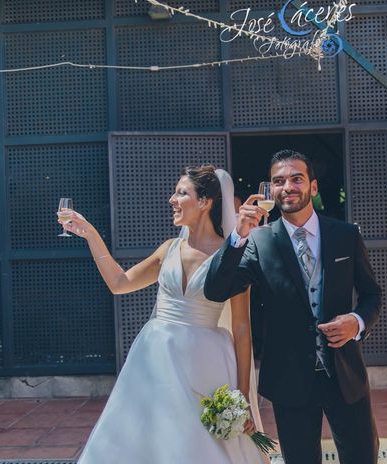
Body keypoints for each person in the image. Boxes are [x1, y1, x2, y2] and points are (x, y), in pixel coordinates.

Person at [60, 166, 266, 464]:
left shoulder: (233, 256)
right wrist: (90, 234)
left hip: (206, 362)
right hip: (155, 358)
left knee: (200, 443)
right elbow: (120, 284)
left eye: (181, 193)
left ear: (206, 202)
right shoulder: (168, 248)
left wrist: (243, 394)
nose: (172, 199)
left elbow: (242, 327)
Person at [205, 149, 382, 464]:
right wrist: (237, 236)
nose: (287, 186)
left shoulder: (345, 234)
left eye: (296, 179)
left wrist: (356, 321)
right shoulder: (259, 242)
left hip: (345, 375)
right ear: (270, 191)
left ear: (313, 187)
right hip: (289, 379)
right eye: (279, 181)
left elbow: (372, 294)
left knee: (363, 458)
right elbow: (217, 290)